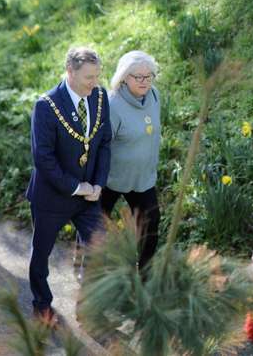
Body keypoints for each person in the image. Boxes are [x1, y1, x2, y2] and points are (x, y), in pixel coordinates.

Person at [26, 47, 111, 326]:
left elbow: (105, 143)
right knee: (41, 256)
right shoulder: (45, 106)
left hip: (89, 196)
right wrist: (78, 187)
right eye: (89, 77)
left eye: (97, 76)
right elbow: (43, 158)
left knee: (100, 248)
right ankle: (42, 305)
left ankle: (87, 307)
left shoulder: (99, 97)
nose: (95, 83)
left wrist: (98, 183)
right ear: (70, 72)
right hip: (52, 197)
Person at [101, 51, 161, 272]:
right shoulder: (112, 105)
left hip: (142, 177)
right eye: (139, 77)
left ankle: (144, 274)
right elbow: (101, 145)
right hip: (110, 178)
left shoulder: (154, 95)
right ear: (124, 77)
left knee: (151, 223)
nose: (145, 81)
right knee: (96, 225)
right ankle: (89, 270)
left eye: (149, 76)